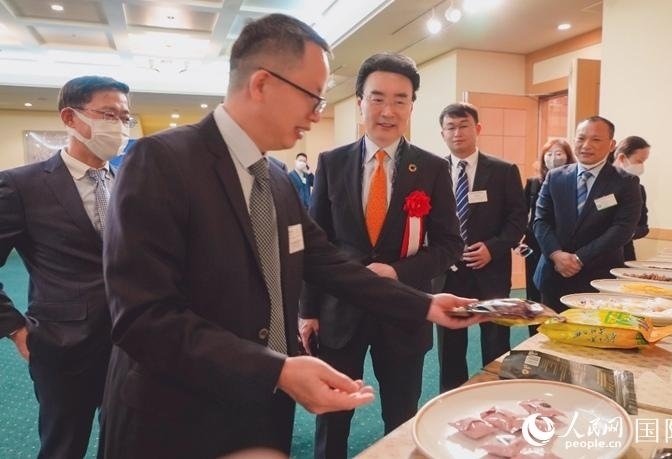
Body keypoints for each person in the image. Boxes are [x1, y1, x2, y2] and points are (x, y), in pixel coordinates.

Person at [99, 14, 484, 459]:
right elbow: (143, 318)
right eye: (312, 97)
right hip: (179, 415)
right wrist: (276, 370)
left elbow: (327, 263)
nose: (317, 113)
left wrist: (424, 304)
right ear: (262, 83)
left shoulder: (277, 179)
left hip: (262, 407)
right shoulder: (162, 162)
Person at [298, 52, 463, 459]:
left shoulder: (431, 168)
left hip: (404, 312)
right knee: (332, 416)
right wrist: (308, 310)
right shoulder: (331, 163)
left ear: (411, 106)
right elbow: (315, 244)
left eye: (400, 100)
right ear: (360, 103)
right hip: (340, 312)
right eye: (377, 98)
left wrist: (396, 271)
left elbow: (449, 244)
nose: (388, 111)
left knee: (402, 416)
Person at [0, 75, 132, 458]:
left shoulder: (130, 182)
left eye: (125, 117)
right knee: (63, 446)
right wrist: (15, 329)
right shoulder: (20, 186)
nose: (119, 126)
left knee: (126, 443)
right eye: (108, 114)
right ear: (70, 118)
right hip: (62, 346)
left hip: (132, 344)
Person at [436, 102, 528, 392]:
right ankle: (452, 396)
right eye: (450, 127)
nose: (457, 133)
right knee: (450, 346)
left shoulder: (503, 170)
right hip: (448, 273)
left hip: (491, 271)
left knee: (496, 340)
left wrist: (493, 248)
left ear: (477, 129)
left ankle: (497, 393)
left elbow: (517, 219)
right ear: (442, 133)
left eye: (463, 126)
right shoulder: (432, 171)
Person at [533, 116, 642, 312]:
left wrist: (579, 258)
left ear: (612, 145)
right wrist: (556, 255)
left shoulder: (626, 182)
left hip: (599, 278)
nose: (586, 145)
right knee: (551, 328)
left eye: (596, 139)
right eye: (581, 138)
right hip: (554, 274)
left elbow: (623, 229)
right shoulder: (555, 177)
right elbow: (541, 221)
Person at [522, 139, 574, 335]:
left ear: (568, 156)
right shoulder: (533, 182)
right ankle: (534, 333)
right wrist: (518, 241)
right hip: (534, 245)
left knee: (558, 292)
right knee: (534, 293)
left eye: (559, 153)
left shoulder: (573, 182)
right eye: (549, 154)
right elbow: (522, 213)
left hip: (562, 245)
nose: (553, 158)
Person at [611, 136, 651, 261]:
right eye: (639, 161)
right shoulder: (600, 185)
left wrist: (628, 232)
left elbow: (644, 227)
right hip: (595, 255)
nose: (642, 166)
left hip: (625, 255)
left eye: (644, 162)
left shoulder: (638, 189)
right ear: (622, 158)